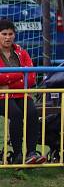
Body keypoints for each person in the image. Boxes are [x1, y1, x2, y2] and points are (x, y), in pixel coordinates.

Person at [0, 18, 45, 165]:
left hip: (19, 93)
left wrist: (8, 83)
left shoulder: (21, 52)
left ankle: (31, 152)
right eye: (4, 34)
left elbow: (31, 77)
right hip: (2, 96)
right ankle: (18, 154)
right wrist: (21, 75)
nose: (7, 37)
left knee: (32, 113)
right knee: (16, 114)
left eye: (10, 34)